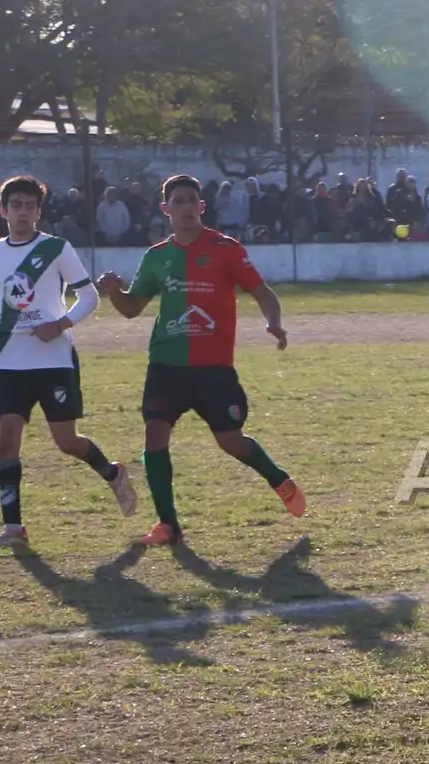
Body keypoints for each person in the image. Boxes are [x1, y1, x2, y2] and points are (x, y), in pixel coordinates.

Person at [95, 174, 306, 546]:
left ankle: (279, 480)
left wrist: (274, 323)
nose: (187, 206)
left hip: (213, 368)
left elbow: (262, 292)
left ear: (202, 207)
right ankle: (168, 525)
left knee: (231, 441)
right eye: (178, 200)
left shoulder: (225, 248)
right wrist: (114, 292)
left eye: (193, 199)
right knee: (155, 435)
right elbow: (132, 307)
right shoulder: (157, 256)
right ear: (166, 209)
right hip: (166, 363)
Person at [0, 175, 138, 548]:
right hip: (10, 360)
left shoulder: (57, 248)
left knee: (66, 441)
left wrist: (60, 324)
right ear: (3, 210)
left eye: (29, 206)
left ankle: (113, 473)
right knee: (7, 441)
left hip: (53, 358)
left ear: (38, 211)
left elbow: (89, 298)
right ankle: (13, 530)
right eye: (15, 205)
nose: (22, 212)